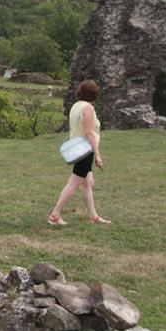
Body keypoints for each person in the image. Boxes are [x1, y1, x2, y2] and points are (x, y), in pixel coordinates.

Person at [48, 80, 111, 226]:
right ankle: (55, 215)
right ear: (94, 94)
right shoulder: (88, 108)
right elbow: (89, 132)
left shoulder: (76, 106)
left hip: (78, 150)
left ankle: (93, 216)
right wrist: (98, 154)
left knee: (87, 183)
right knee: (74, 183)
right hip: (85, 151)